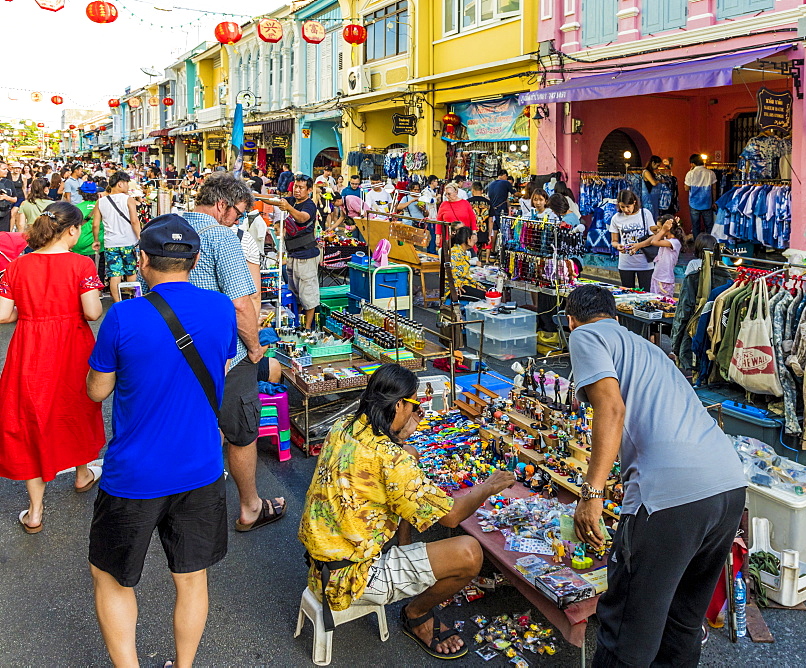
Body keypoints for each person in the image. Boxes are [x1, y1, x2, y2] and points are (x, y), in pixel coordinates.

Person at [566, 284, 746, 666]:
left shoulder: (584, 334)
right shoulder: (644, 346)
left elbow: (611, 409)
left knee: (628, 628)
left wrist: (592, 493)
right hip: (728, 486)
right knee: (682, 620)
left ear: (570, 320)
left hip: (670, 498)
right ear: (615, 315)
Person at [86, 214, 236, 668]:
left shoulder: (124, 316)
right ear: (193, 260)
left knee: (112, 578)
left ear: (142, 260)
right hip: (202, 467)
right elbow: (220, 366)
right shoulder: (221, 307)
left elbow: (98, 390)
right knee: (191, 578)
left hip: (135, 473)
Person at [299, 364, 516, 660]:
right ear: (399, 404)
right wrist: (487, 487)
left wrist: (401, 445)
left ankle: (405, 554)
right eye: (415, 405)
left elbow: (381, 461)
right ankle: (417, 614)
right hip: (350, 576)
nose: (417, 412)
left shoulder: (345, 426)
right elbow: (451, 516)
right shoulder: (392, 461)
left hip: (319, 561)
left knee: (402, 503)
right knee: (469, 552)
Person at [181, 172, 279, 532]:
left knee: (195, 425)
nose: (238, 220)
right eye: (238, 212)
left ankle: (190, 501)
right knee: (240, 432)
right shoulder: (221, 237)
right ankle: (250, 506)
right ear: (222, 205)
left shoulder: (167, 229)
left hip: (179, 350)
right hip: (225, 353)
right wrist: (254, 348)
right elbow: (242, 305)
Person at [0, 202, 106, 533]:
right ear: (73, 230)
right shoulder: (82, 264)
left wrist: (30, 313)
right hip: (71, 346)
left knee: (30, 418)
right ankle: (82, 473)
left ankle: (34, 511)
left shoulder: (18, 265)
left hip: (30, 347)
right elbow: (92, 312)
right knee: (76, 408)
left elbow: (3, 314)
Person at [277, 175, 320, 329]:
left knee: (308, 293)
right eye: (295, 186)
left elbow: (302, 218)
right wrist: (253, 195)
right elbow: (274, 200)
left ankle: (308, 327)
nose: (297, 190)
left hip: (306, 255)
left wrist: (288, 208)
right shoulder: (292, 201)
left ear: (309, 190)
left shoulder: (309, 205)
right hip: (293, 254)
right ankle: (297, 322)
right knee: (295, 291)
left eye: (301, 187)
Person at [94, 171, 141, 302]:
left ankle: (118, 302)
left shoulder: (101, 202)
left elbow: (96, 224)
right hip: (128, 242)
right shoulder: (128, 199)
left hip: (110, 244)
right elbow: (134, 221)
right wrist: (140, 237)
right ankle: (131, 301)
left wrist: (96, 240)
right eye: (126, 183)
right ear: (120, 184)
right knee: (130, 272)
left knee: (115, 274)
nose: (128, 186)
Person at [609, 190, 655, 291]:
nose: (626, 210)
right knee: (627, 293)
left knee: (646, 293)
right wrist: (617, 246)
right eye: (622, 207)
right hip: (625, 263)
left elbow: (654, 237)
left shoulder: (645, 214)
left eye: (628, 206)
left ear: (634, 202)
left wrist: (639, 245)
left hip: (645, 263)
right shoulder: (616, 218)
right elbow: (614, 240)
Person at [648, 216, 684, 297]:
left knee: (664, 304)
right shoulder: (665, 238)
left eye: (659, 228)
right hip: (656, 277)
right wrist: (670, 223)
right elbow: (651, 229)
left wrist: (664, 229)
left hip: (665, 280)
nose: (657, 231)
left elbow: (653, 242)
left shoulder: (674, 242)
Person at [448, 226, 487, 301]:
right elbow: (451, 274)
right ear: (467, 239)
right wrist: (456, 288)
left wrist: (476, 285)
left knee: (486, 291)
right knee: (484, 296)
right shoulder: (455, 253)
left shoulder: (463, 252)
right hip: (454, 288)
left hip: (463, 284)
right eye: (472, 237)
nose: (474, 240)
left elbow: (466, 276)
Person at [684, 154, 717, 238]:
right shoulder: (710, 173)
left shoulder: (690, 174)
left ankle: (697, 246)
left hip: (694, 204)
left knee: (695, 226)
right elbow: (714, 189)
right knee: (709, 226)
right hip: (707, 203)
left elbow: (686, 189)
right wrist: (714, 202)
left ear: (692, 163)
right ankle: (709, 245)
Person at [72, 181, 103, 267]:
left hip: (79, 244)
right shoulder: (102, 206)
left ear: (81, 193)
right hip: (99, 245)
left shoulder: (77, 208)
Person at [467, 181, 492, 247]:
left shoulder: (468, 202)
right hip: (483, 231)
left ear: (472, 190)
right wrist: (489, 235)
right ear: (482, 190)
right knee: (480, 250)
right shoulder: (488, 202)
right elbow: (490, 220)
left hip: (471, 232)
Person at [0, 162, 18, 233]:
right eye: (4, 169)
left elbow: (15, 199)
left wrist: (6, 197)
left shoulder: (9, 183)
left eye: (7, 169)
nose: (7, 171)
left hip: (5, 213)